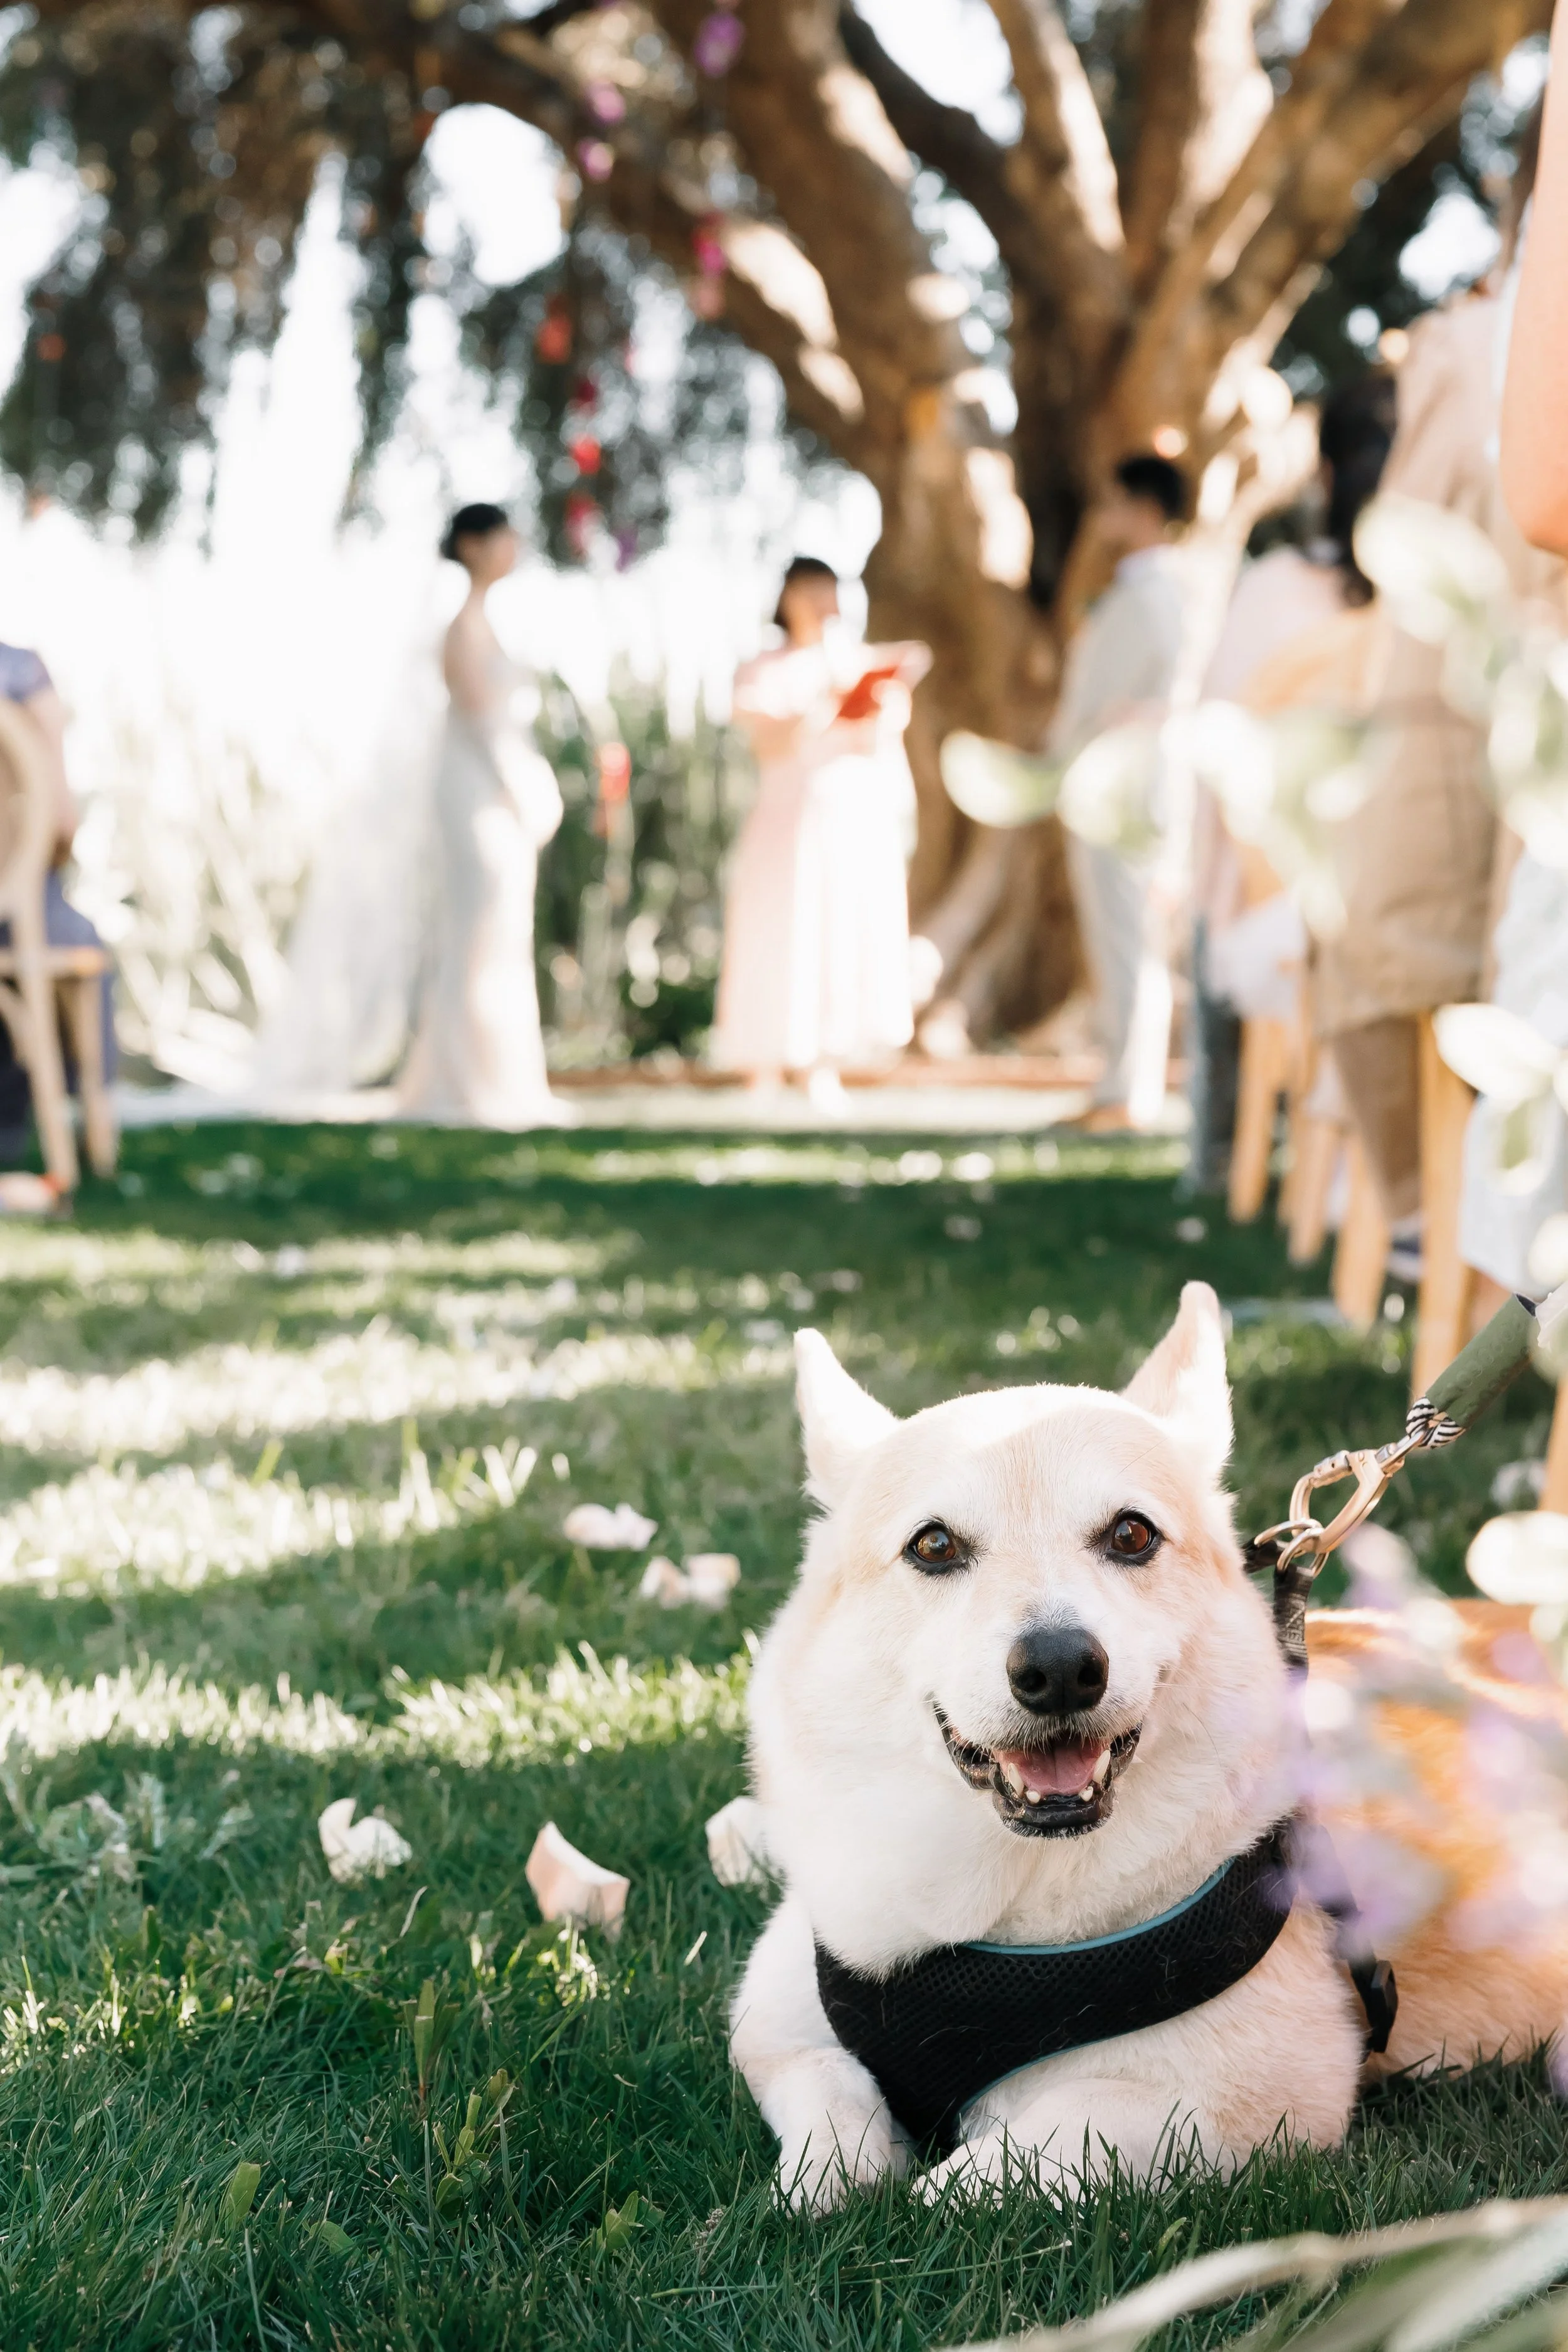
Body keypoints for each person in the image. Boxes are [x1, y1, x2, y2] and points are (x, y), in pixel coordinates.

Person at [1187, 378, 1395, 1188]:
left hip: (1285, 915)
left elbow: (1219, 765)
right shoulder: (1449, 593)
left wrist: (1209, 904)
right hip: (1409, 914)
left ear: (1326, 476)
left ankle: (1303, 1181)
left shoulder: (1272, 591)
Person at [710, 556, 929, 1104]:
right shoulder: (764, 667)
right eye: (806, 589)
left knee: (837, 933)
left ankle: (823, 1062)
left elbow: (880, 743)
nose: (817, 601)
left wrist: (873, 707)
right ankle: (762, 1062)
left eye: (826, 590)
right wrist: (825, 698)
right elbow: (769, 737)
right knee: (779, 931)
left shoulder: (858, 661)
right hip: (788, 813)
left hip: (849, 815)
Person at [398, 504, 568, 1128]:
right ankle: (463, 1080)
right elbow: (480, 717)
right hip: (475, 789)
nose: (512, 547)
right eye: (501, 537)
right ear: (471, 545)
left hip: (500, 784)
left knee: (503, 929)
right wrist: (526, 788)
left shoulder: (487, 624)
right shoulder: (460, 628)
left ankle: (503, 1077)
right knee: (477, 927)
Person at [1048, 453, 1187, 1131]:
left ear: (1144, 509)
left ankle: (1127, 1092)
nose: (1103, 516)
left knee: (1128, 936)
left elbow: (1152, 691)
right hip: (1102, 783)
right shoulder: (1128, 592)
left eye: (1114, 501)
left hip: (1125, 788)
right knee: (1115, 938)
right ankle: (1120, 1085)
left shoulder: (1157, 594)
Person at [0, 640, 115, 1164]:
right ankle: (80, 1133)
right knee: (76, 942)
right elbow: (61, 828)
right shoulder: (21, 673)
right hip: (19, 919)